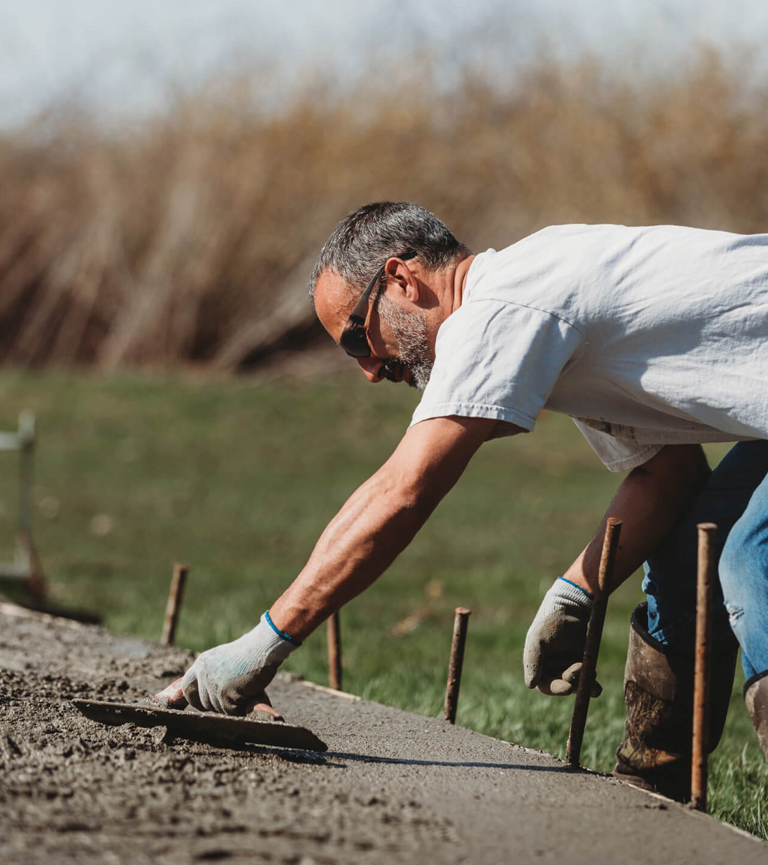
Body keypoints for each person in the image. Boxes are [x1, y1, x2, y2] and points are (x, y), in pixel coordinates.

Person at [158, 201, 768, 800]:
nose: (369, 370)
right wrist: (576, 593)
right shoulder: (540, 316)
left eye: (355, 340)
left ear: (400, 278)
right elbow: (669, 474)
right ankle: (652, 799)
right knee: (690, 555)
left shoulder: (501, 310)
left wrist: (263, 644)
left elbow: (402, 491)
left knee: (748, 557)